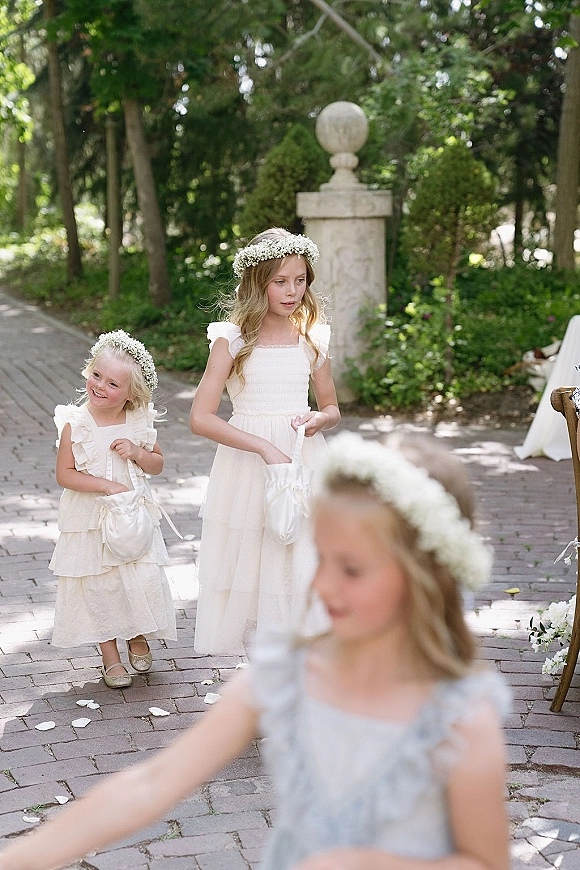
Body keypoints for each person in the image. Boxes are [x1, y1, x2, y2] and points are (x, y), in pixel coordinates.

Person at [0, 431, 510, 870]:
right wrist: (22, 857)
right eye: (322, 559)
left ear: (426, 578)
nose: (325, 585)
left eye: (351, 569)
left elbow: (485, 861)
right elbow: (152, 783)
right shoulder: (286, 676)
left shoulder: (459, 718)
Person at [189, 227, 341, 654]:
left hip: (302, 458)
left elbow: (332, 408)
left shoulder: (312, 336)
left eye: (300, 280)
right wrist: (262, 446)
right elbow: (200, 418)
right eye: (280, 281)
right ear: (258, 282)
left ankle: (300, 663)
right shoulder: (233, 340)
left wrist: (318, 418)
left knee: (302, 557)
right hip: (247, 466)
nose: (292, 290)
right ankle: (262, 668)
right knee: (255, 560)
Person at [49, 329, 177, 689]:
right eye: (96, 375)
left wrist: (137, 453)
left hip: (130, 516)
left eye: (113, 384)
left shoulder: (138, 421)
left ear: (132, 394)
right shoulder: (75, 423)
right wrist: (105, 484)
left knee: (139, 575)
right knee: (99, 585)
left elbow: (157, 464)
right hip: (89, 519)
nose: (100, 386)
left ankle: (137, 634)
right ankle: (110, 656)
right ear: (88, 371)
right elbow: (65, 474)